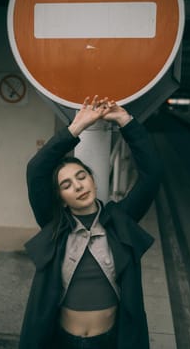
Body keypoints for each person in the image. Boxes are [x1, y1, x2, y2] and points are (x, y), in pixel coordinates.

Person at [19, 96, 162, 349]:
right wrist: (76, 127)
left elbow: (152, 174)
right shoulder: (54, 227)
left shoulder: (121, 220)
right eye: (66, 185)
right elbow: (36, 170)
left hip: (111, 341)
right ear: (61, 199)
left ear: (94, 182)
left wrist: (124, 121)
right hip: (61, 341)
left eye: (81, 177)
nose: (78, 186)